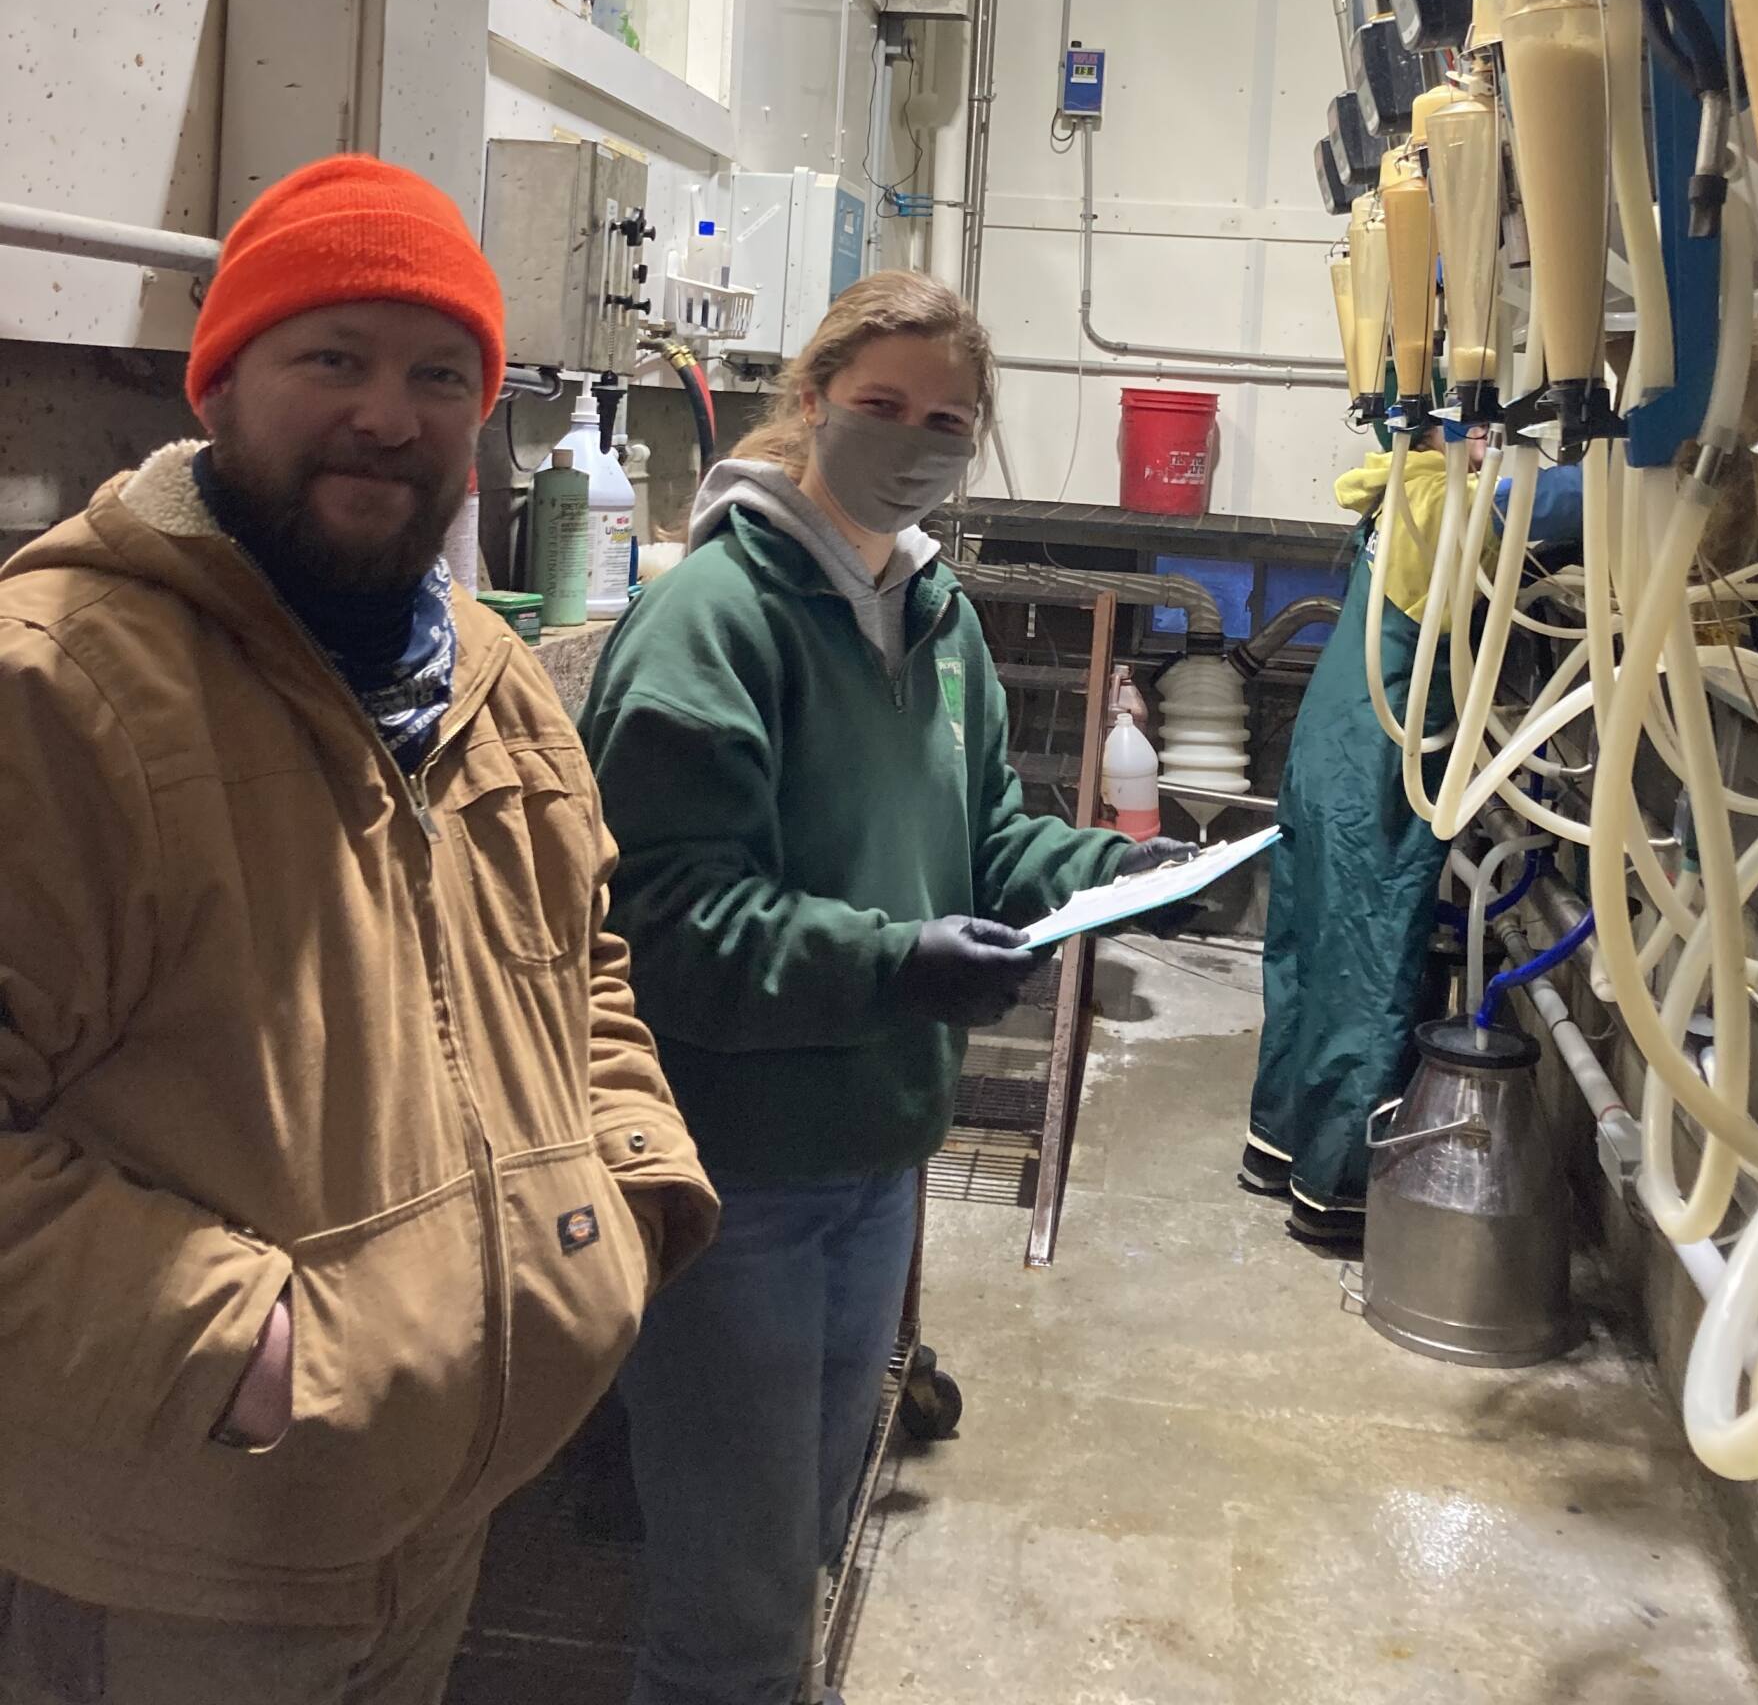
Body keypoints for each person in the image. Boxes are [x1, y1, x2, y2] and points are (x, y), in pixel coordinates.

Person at [0, 155, 717, 1703]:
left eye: (438, 375)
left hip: (437, 1521)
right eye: (333, 358)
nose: (389, 416)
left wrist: (632, 1196)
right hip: (187, 1557)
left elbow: (579, 962)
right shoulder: (63, 692)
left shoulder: (482, 674)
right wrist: (245, 1352)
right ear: (224, 380)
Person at [580, 272, 1189, 1705]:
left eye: (947, 421)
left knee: (798, 1544)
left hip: (876, 1155)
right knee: (727, 1600)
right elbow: (660, 926)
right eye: (883, 408)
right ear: (810, 404)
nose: (914, 440)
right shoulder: (711, 625)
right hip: (734, 1177)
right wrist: (893, 961)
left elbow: (983, 840)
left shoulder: (935, 613)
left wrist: (1120, 871)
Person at [1239, 418, 1485, 1249]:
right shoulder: (1446, 500)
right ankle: (1334, 1188)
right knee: (1366, 973)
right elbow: (1552, 502)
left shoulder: (1394, 488)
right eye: (1487, 430)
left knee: (1306, 960)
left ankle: (1275, 1146)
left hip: (1325, 755)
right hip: (1379, 769)